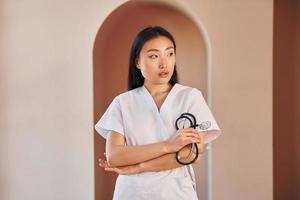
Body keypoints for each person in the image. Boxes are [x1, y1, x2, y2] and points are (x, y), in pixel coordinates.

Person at [95, 26, 222, 200]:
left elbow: (191, 154)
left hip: (176, 193)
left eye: (170, 54)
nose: (164, 63)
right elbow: (115, 156)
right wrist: (169, 146)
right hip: (131, 193)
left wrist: (138, 167)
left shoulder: (190, 97)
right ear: (138, 62)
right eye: (154, 56)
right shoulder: (122, 102)